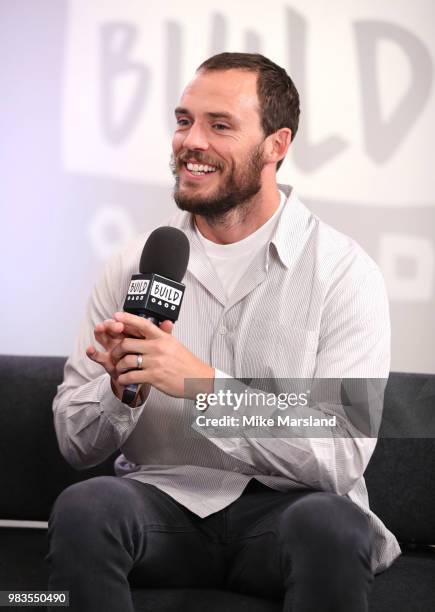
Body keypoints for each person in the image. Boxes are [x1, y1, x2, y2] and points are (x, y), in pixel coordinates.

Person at [48, 53, 400, 611]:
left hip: (286, 513)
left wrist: (203, 386)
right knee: (84, 507)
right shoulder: (132, 267)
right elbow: (74, 443)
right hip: (161, 504)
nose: (191, 141)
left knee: (334, 524)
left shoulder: (343, 272)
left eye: (220, 125)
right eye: (184, 120)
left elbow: (340, 454)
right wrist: (117, 392)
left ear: (276, 145)